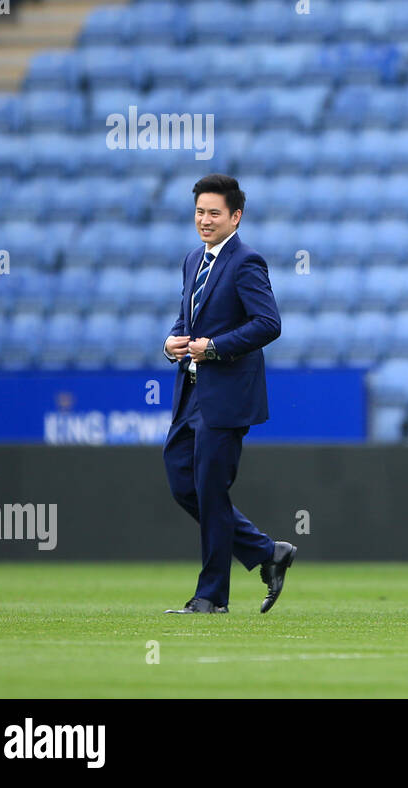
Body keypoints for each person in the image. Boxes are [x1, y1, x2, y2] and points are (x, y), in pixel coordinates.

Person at [161, 174, 294, 614]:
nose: (204, 220)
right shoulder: (191, 260)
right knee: (184, 482)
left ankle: (212, 596)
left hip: (226, 396)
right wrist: (173, 341)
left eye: (214, 212)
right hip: (191, 391)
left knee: (211, 491)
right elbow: (190, 319)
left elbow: (268, 323)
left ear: (236, 216)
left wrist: (215, 348)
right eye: (200, 211)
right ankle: (264, 551)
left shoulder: (246, 262)